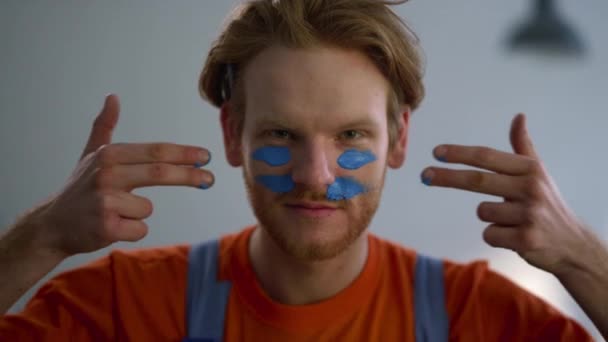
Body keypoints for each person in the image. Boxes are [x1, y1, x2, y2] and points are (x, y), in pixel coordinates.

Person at [1, 0, 607, 340]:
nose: (315, 175)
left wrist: (583, 257)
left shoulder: (478, 317)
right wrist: (42, 237)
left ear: (399, 138)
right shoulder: (124, 307)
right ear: (232, 134)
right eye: (281, 134)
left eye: (350, 135)